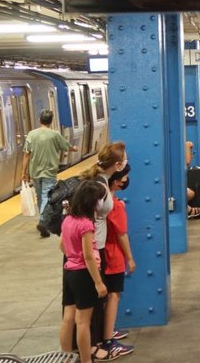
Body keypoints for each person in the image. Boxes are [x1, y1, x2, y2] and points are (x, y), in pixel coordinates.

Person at [77, 142, 126, 354]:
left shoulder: (102, 183)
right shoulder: (98, 187)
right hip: (94, 249)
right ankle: (96, 347)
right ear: (117, 165)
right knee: (94, 301)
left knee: (98, 300)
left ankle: (99, 342)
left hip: (97, 246)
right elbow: (88, 220)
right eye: (123, 160)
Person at [58, 180, 108, 363]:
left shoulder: (68, 220)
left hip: (69, 272)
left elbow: (61, 244)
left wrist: (72, 256)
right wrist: (98, 282)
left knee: (68, 318)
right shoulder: (86, 225)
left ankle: (64, 357)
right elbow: (88, 256)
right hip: (84, 275)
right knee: (83, 322)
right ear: (92, 202)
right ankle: (86, 360)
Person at [22, 109, 78, 237]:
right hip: (49, 171)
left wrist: (23, 172)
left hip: (35, 172)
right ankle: (43, 221)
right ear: (51, 121)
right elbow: (67, 146)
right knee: (47, 196)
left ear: (39, 120)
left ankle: (43, 219)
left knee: (40, 196)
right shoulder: (54, 135)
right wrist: (74, 148)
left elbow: (26, 154)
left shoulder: (31, 134)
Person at [101, 164, 136, 359]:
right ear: (116, 181)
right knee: (114, 296)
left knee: (108, 297)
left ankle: (106, 331)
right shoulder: (116, 206)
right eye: (124, 177)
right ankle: (108, 341)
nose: (126, 180)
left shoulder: (103, 202)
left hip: (104, 253)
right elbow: (121, 234)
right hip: (114, 255)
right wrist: (130, 258)